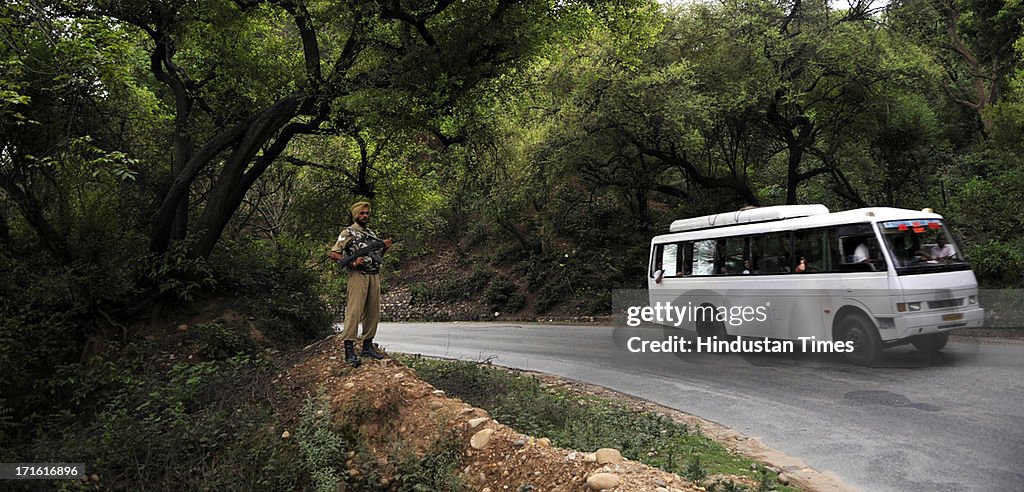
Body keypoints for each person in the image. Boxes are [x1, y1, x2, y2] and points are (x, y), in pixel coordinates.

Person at [328, 201, 394, 367]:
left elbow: (378, 255)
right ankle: (349, 350)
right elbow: (334, 253)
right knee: (354, 312)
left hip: (373, 275)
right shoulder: (348, 232)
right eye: (362, 213)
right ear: (356, 215)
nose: (365, 216)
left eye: (367, 213)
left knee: (372, 312)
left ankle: (367, 346)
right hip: (358, 276)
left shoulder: (371, 233)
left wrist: (385, 248)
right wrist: (351, 263)